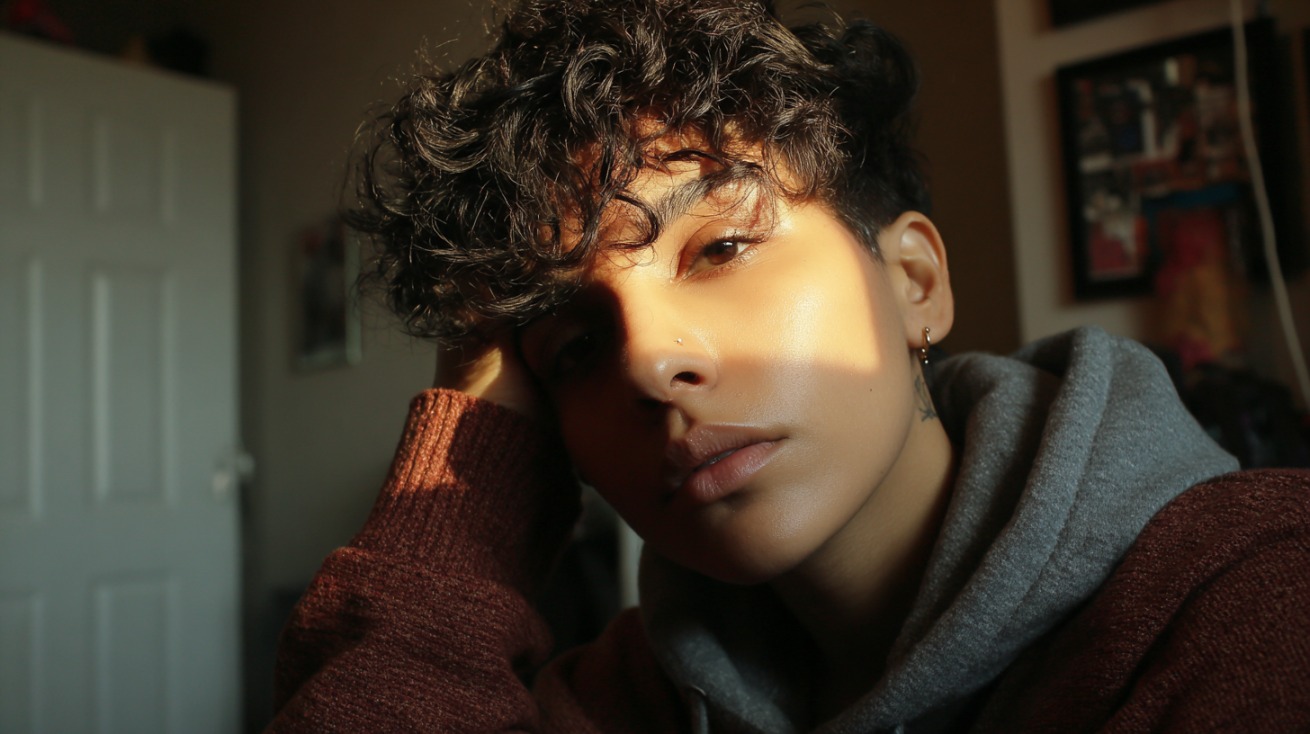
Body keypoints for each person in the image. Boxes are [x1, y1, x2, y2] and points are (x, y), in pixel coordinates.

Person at [267, 0, 1310, 730]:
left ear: (912, 282)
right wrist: (469, 469)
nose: (651, 361)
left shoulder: (1249, 601)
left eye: (719, 248)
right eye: (575, 346)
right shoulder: (631, 692)